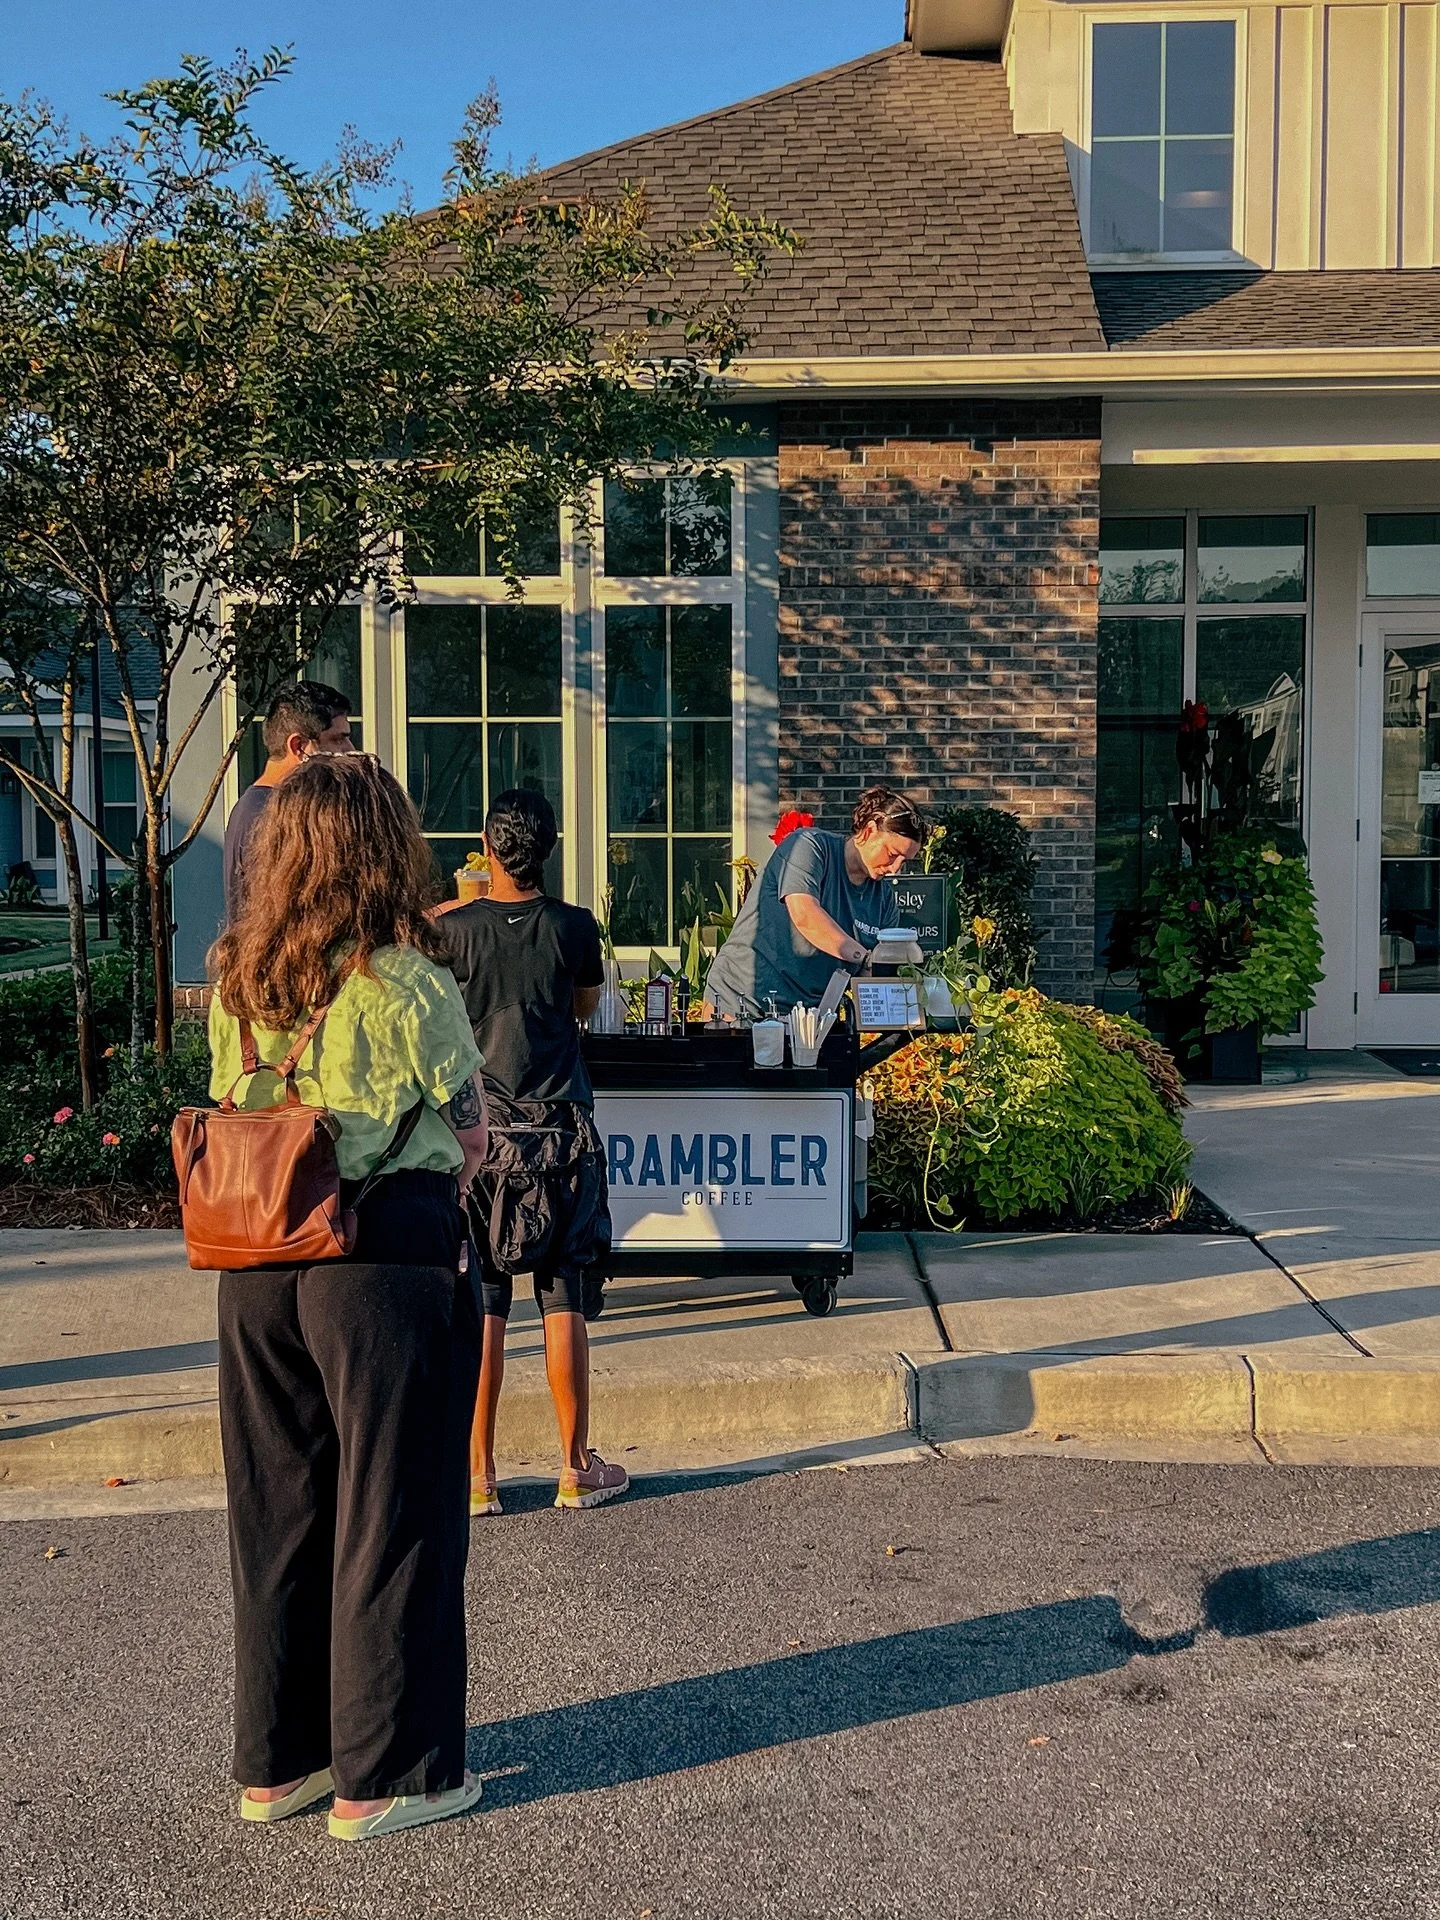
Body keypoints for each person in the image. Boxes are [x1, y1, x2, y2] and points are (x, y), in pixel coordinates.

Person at [208, 753, 490, 1844]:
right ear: (385, 850)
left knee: (276, 1513)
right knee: (396, 1512)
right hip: (377, 1264)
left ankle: (279, 1766)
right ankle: (390, 1776)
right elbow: (467, 1130)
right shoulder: (407, 979)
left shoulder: (237, 973)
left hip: (253, 1262)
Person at [441, 788, 627, 1516]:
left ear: (487, 849)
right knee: (562, 1295)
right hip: (560, 1130)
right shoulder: (575, 928)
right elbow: (583, 1008)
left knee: (486, 1296)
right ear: (550, 851)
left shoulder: (454, 933)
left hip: (483, 1133)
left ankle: (478, 1475)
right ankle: (575, 1466)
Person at [705, 785, 927, 1017]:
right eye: (892, 854)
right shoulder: (809, 846)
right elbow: (805, 915)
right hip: (743, 1001)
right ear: (869, 830)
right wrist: (865, 958)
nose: (895, 869)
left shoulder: (883, 899)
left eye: (905, 862)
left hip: (808, 1016)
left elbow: (872, 975)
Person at [222, 680, 355, 922]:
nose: (349, 750)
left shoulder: (259, 806)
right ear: (299, 746)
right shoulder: (267, 813)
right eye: (337, 740)